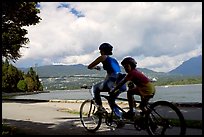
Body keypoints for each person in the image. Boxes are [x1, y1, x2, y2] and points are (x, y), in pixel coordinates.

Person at [88, 42, 126, 117]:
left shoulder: (103, 57)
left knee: (95, 88)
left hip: (112, 82)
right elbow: (112, 73)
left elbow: (89, 66)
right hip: (121, 83)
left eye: (100, 50)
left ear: (102, 50)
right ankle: (119, 118)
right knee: (111, 100)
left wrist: (96, 67)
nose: (100, 52)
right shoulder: (114, 60)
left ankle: (100, 108)